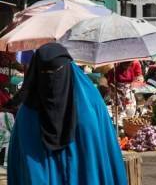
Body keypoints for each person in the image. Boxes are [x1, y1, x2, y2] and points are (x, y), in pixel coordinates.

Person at [7, 43, 127, 184]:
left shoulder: (90, 101)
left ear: (68, 68)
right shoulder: (27, 114)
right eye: (45, 73)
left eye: (57, 70)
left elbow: (108, 149)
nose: (51, 78)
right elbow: (19, 166)